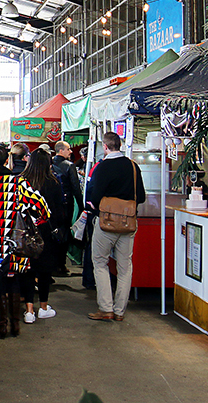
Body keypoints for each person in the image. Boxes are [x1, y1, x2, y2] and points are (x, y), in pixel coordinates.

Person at [0, 145, 46, 338]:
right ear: (8, 160)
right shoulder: (18, 183)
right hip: (15, 242)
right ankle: (15, 325)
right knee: (15, 280)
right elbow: (42, 207)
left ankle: (1, 326)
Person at [85, 131, 146, 322]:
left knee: (100, 263)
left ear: (105, 147)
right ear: (119, 145)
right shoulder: (133, 166)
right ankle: (120, 310)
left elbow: (94, 196)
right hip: (128, 224)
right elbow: (141, 197)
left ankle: (106, 308)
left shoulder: (103, 167)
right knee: (125, 266)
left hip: (106, 223)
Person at [19, 150, 62, 323]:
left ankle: (29, 311)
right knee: (44, 271)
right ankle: (43, 307)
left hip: (25, 232)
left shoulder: (21, 181)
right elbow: (59, 212)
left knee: (28, 269)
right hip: (45, 233)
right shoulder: (53, 182)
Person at [52, 141, 84, 276]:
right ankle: (61, 265)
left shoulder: (49, 164)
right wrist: (82, 206)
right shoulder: (69, 166)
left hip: (51, 203)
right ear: (61, 151)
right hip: (66, 204)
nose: (71, 152)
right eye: (68, 149)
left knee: (53, 232)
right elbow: (75, 188)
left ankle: (53, 264)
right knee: (64, 233)